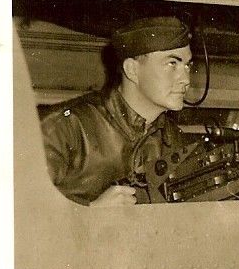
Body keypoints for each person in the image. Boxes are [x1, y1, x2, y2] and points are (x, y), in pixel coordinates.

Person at [40, 16, 193, 206]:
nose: (186, 79)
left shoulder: (174, 139)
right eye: (172, 64)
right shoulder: (63, 128)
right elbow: (19, 211)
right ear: (132, 70)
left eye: (188, 65)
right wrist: (91, 213)